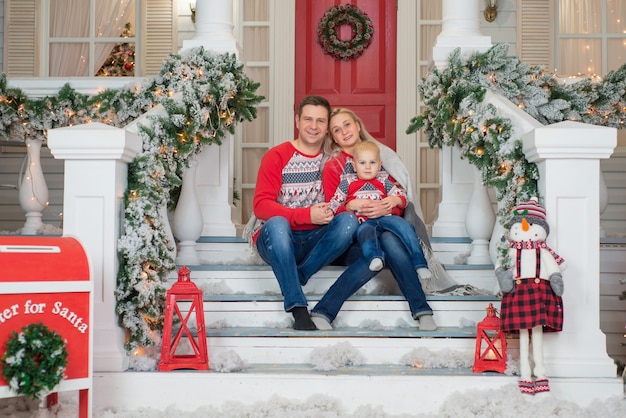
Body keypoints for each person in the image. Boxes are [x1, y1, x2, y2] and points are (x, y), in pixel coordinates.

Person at [310, 107, 458, 331]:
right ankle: (421, 309)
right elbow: (334, 212)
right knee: (384, 248)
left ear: (358, 125)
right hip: (354, 239)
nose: (345, 132)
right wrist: (351, 206)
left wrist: (388, 205)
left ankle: (323, 312)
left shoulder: (382, 157)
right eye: (337, 130)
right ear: (333, 137)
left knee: (389, 243)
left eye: (347, 124)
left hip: (386, 229)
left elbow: (400, 203)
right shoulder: (334, 166)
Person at [244, 96, 359, 330]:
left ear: (327, 127)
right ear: (297, 120)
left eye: (320, 121)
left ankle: (299, 274)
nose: (313, 126)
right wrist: (306, 215)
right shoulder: (278, 155)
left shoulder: (335, 160)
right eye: (308, 119)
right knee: (276, 224)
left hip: (314, 241)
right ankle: (298, 308)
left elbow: (371, 157)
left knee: (348, 221)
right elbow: (261, 205)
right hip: (278, 240)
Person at [333, 140, 432, 279]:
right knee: (364, 234)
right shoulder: (347, 183)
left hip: (386, 220)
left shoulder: (384, 181)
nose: (367, 167)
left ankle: (420, 263)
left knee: (406, 227)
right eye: (362, 163)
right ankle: (375, 257)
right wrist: (349, 206)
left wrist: (394, 200)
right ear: (354, 166)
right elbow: (334, 205)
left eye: (372, 163)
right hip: (364, 223)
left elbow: (403, 198)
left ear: (379, 165)